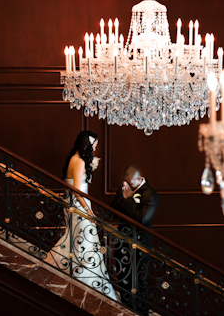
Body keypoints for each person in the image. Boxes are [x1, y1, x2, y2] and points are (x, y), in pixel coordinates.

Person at [48, 130, 117, 301]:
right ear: (87, 144)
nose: (95, 148)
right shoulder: (78, 161)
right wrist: (88, 211)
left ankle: (79, 276)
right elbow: (77, 190)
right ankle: (82, 279)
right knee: (84, 240)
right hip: (79, 206)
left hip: (78, 205)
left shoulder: (77, 159)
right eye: (94, 144)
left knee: (79, 240)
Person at [110, 166, 159, 312]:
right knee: (122, 278)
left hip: (141, 244)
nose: (126, 186)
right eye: (125, 182)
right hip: (122, 241)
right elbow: (112, 211)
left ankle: (141, 313)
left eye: (130, 184)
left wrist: (129, 199)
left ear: (139, 179)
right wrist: (125, 197)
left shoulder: (151, 194)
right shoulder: (124, 188)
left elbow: (141, 220)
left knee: (139, 282)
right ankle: (126, 310)